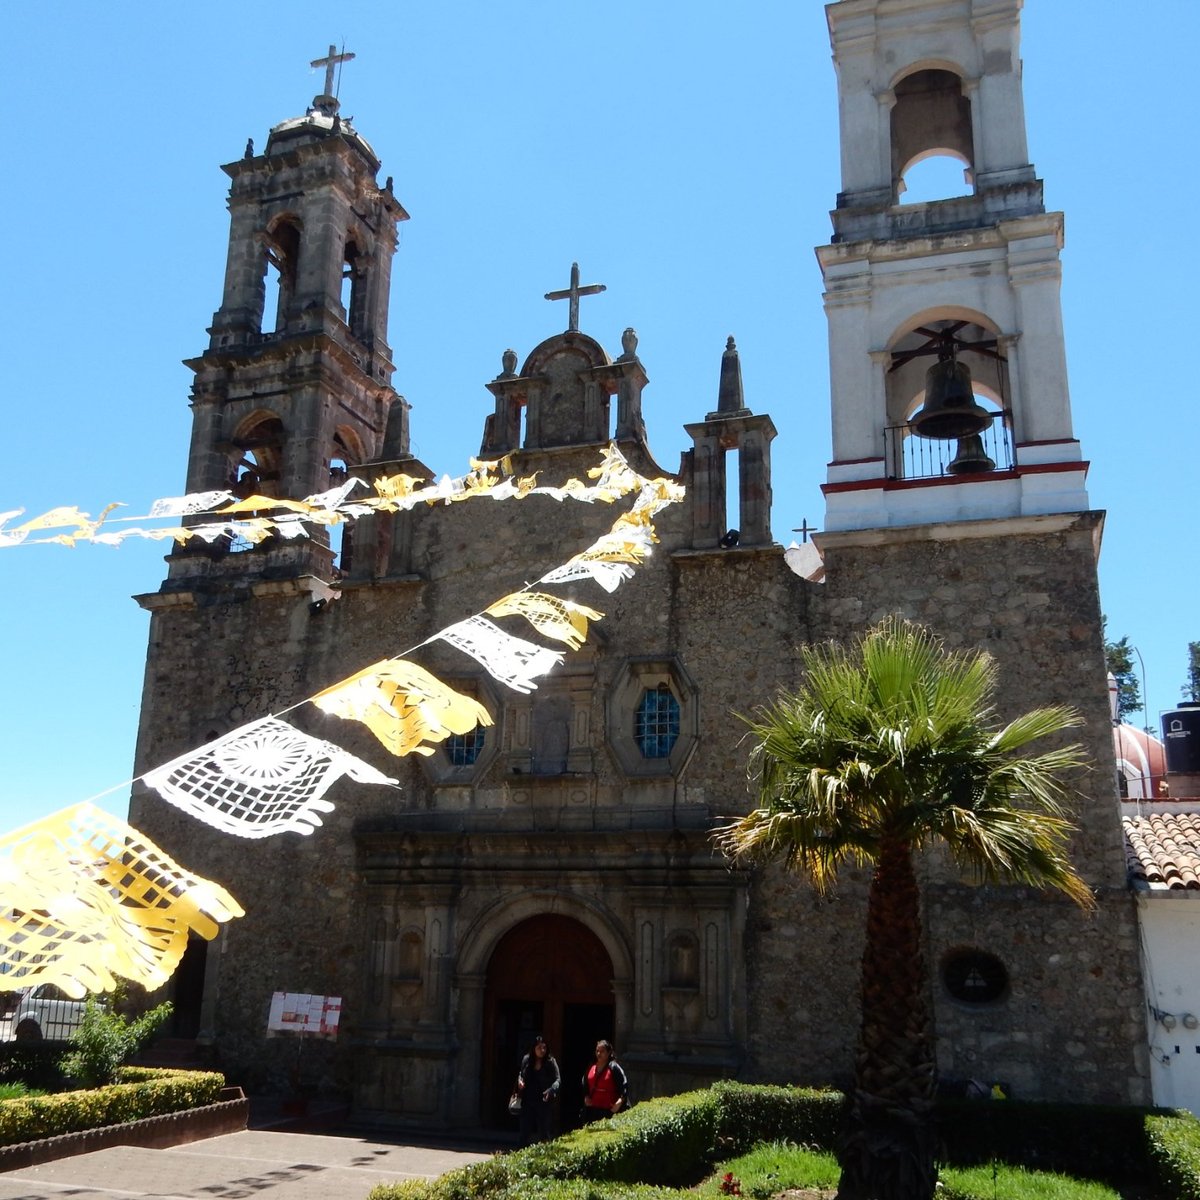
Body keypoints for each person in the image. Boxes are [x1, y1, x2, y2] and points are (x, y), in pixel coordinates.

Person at [516, 1033, 560, 1145]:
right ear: (533, 1048)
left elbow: (558, 1080)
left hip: (543, 1101)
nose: (542, 1050)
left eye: (544, 1047)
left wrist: (551, 1090)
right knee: (524, 1132)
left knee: (544, 1132)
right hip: (528, 1100)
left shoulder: (550, 1062)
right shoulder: (527, 1060)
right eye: (539, 1047)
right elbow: (521, 1074)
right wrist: (520, 1082)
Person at [580, 1039, 628, 1122]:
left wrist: (619, 1102)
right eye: (597, 1051)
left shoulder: (614, 1068)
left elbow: (624, 1085)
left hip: (609, 1111)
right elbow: (585, 1082)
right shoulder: (591, 1066)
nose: (598, 1054)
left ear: (609, 1053)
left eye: (602, 1051)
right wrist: (586, 1096)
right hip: (592, 1111)